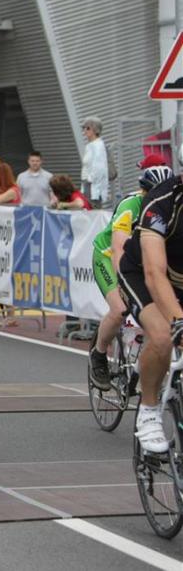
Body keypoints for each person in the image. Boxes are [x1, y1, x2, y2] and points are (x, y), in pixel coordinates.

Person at [89, 165, 174, 390]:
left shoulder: (172, 205)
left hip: (141, 261)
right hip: (108, 256)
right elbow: (119, 248)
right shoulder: (130, 205)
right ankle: (98, 354)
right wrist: (123, 285)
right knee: (120, 309)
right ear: (143, 191)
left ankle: (140, 369)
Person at [117, 169, 183, 453]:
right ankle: (149, 409)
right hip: (142, 274)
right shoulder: (161, 202)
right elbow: (155, 274)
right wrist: (178, 320)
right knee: (164, 335)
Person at [80, 116, 109, 207]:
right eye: (84, 128)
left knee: (93, 211)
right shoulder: (90, 145)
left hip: (93, 187)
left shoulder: (98, 146)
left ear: (95, 130)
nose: (85, 130)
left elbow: (99, 168)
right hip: (87, 185)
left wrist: (90, 179)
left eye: (88, 128)